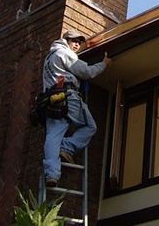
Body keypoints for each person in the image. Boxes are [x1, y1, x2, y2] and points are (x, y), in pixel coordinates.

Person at [42, 29, 111, 186]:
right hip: (67, 97)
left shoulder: (49, 57)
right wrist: (104, 64)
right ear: (65, 40)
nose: (77, 45)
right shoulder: (64, 53)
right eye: (74, 41)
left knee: (53, 135)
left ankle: (51, 174)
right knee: (90, 126)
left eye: (79, 42)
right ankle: (66, 147)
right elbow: (87, 72)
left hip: (51, 100)